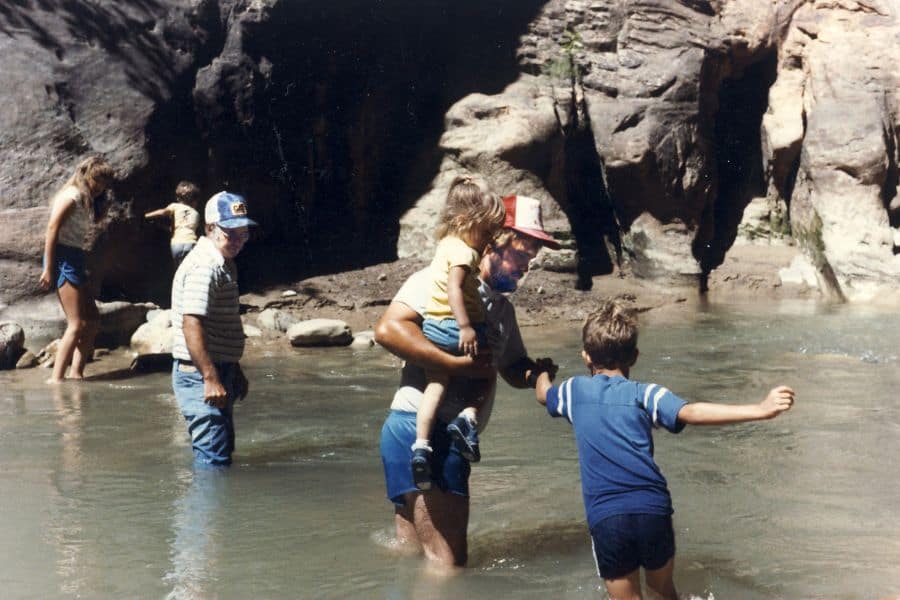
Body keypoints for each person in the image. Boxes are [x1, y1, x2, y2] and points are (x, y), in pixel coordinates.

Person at [534, 299, 796, 599]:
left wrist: (540, 372)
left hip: (608, 516)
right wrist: (760, 409)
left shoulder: (573, 391)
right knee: (663, 591)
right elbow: (692, 412)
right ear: (634, 357)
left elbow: (544, 395)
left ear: (585, 357)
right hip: (653, 508)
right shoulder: (646, 393)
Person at [376, 193, 561, 568]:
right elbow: (388, 330)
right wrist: (455, 365)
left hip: (414, 434)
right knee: (448, 567)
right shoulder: (441, 280)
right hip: (428, 434)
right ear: (495, 241)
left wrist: (535, 373)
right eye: (523, 253)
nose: (528, 265)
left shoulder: (502, 309)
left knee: (413, 557)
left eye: (534, 256)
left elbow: (510, 367)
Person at [412, 177, 506, 489]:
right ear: (465, 222)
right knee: (486, 371)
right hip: (457, 328)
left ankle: (421, 446)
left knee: (435, 385)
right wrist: (467, 327)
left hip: (432, 328)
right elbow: (454, 289)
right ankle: (467, 418)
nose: (487, 241)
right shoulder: (467, 254)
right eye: (486, 232)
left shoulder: (444, 246)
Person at [171, 191, 256, 467]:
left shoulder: (223, 263)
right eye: (230, 232)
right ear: (210, 228)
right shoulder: (205, 266)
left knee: (222, 452)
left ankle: (218, 509)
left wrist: (234, 368)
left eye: (243, 233)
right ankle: (206, 509)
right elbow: (191, 323)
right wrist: (210, 377)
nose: (238, 241)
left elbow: (219, 325)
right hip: (199, 374)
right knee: (213, 461)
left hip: (218, 368)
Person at [39, 156, 116, 383]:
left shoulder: (85, 199)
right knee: (77, 323)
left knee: (92, 321)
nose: (100, 187)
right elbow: (52, 229)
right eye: (97, 180)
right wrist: (48, 268)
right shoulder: (71, 196)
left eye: (104, 183)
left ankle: (77, 374)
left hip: (76, 257)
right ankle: (56, 380)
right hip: (64, 258)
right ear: (86, 175)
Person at [144, 181, 203, 269]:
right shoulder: (196, 214)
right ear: (194, 201)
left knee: (179, 270)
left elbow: (163, 212)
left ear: (179, 198)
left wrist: (146, 216)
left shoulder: (175, 206)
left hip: (177, 244)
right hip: (191, 243)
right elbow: (187, 227)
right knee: (190, 269)